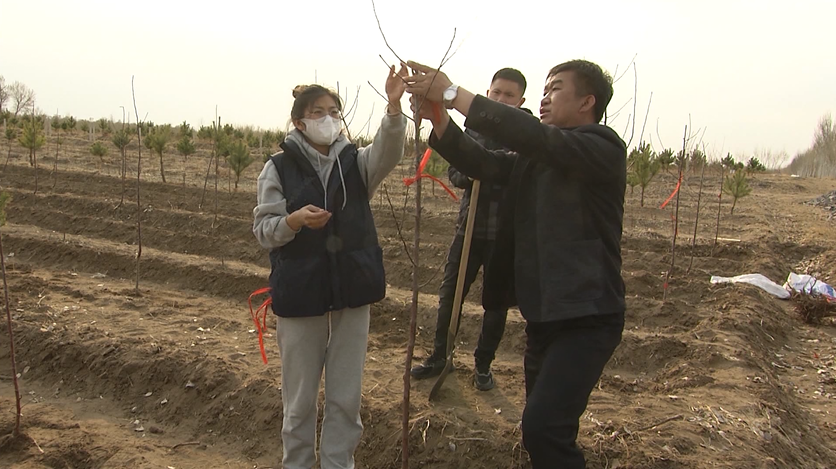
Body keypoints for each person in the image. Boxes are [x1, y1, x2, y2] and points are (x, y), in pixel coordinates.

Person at [404, 59, 626, 469]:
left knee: (544, 428)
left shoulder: (601, 147)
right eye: (544, 88)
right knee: (546, 428)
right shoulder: (537, 159)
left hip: (588, 318)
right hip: (544, 317)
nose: (544, 97)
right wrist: (440, 120)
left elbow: (533, 137)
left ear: (586, 103)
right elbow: (484, 163)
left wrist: (453, 95)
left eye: (555, 88)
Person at [252, 65, 408, 469]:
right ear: (299, 122)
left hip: (352, 289)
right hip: (301, 290)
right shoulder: (278, 168)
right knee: (300, 398)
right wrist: (294, 220)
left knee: (345, 394)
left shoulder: (354, 163)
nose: (329, 119)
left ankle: (339, 464)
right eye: (319, 112)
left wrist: (393, 108)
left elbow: (389, 152)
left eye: (334, 112)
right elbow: (264, 230)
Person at [410, 67, 533, 392]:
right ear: (488, 93)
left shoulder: (527, 134)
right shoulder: (474, 129)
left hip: (505, 234)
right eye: (496, 93)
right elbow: (456, 170)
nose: (501, 99)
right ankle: (440, 355)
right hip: (470, 228)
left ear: (521, 101)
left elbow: (511, 171)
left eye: (509, 95)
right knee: (450, 294)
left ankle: (483, 364)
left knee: (495, 302)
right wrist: (469, 171)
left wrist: (485, 165)